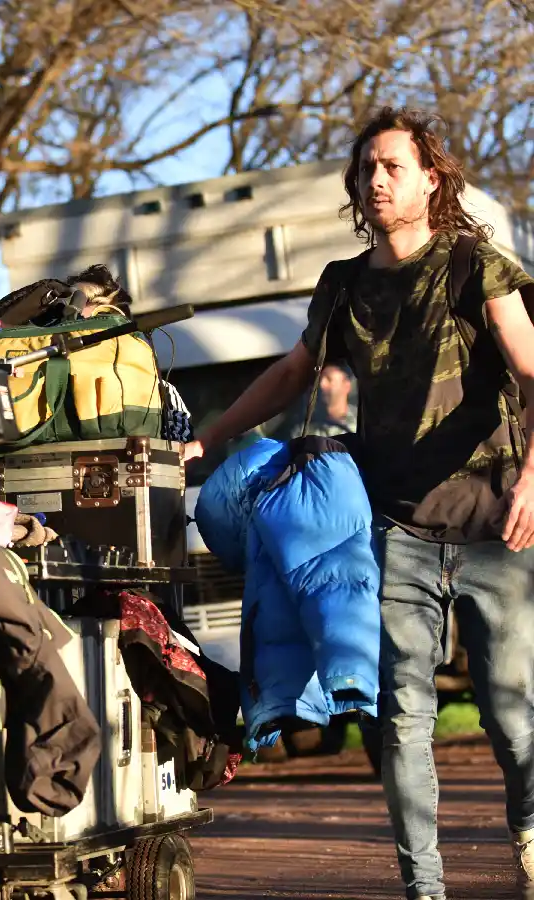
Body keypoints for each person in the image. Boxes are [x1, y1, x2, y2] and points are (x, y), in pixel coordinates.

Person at [184, 106, 534, 900]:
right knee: (401, 716)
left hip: (494, 525)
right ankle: (424, 888)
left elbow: (532, 373)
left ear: (430, 179)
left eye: (393, 166)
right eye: (366, 168)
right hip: (395, 530)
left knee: (511, 717)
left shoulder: (474, 266)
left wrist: (530, 482)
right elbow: (292, 374)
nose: (376, 180)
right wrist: (211, 438)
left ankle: (528, 827)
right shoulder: (343, 285)